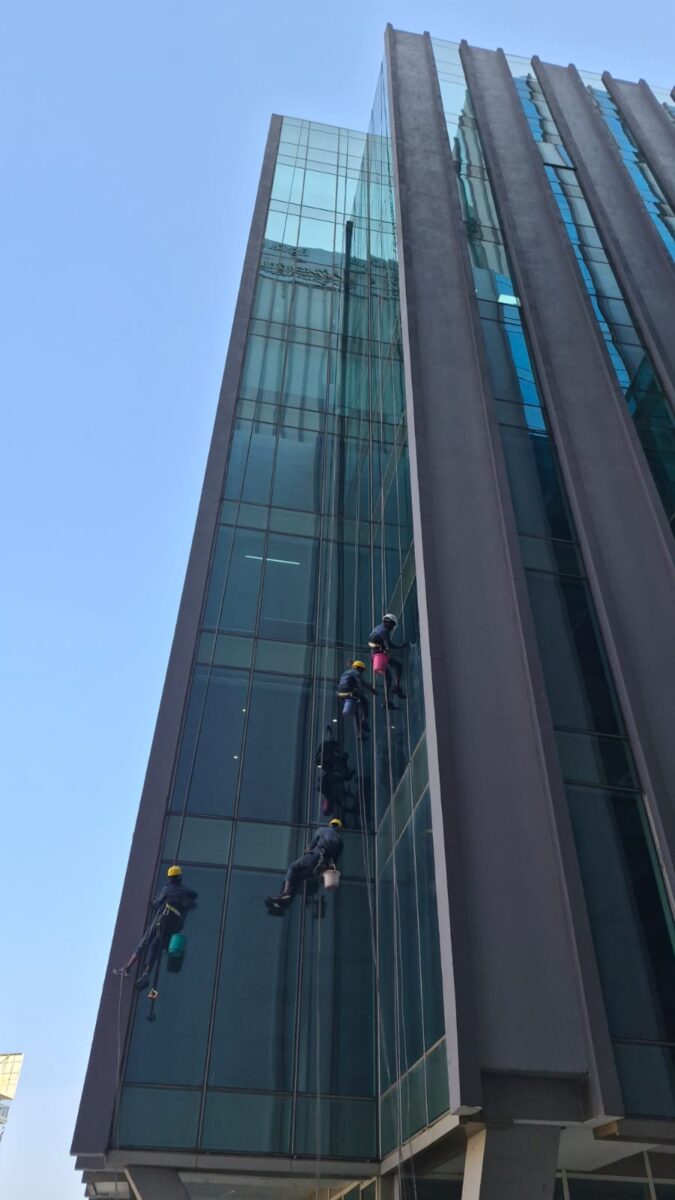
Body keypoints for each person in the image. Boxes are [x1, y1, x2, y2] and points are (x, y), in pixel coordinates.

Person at [121, 865, 198, 990]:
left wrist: (154, 901)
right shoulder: (184, 891)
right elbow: (194, 896)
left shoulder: (167, 889)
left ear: (169, 878)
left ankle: (128, 967)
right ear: (179, 877)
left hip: (162, 918)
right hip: (173, 925)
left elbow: (156, 903)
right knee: (156, 945)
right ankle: (146, 972)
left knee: (146, 941)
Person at [266, 819, 343, 912]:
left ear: (330, 825)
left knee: (292, 868)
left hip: (313, 858)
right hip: (321, 868)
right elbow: (335, 859)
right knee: (298, 878)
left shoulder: (322, 830)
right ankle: (284, 902)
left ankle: (285, 893)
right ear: (339, 828)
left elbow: (312, 844)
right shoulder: (340, 841)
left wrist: (307, 850)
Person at [368, 613, 407, 699]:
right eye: (392, 624)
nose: (392, 628)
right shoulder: (385, 631)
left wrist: (384, 648)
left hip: (375, 654)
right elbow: (390, 645)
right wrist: (400, 646)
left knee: (388, 677)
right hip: (379, 655)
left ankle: (387, 700)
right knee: (398, 666)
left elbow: (374, 641)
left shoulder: (378, 628)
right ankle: (396, 689)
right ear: (387, 621)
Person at [337, 660, 375, 735]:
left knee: (356, 709)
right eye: (362, 670)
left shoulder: (346, 672)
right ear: (358, 668)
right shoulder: (356, 672)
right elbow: (361, 682)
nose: (362, 672)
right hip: (348, 692)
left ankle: (359, 731)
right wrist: (372, 690)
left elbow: (349, 683)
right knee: (365, 702)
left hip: (341, 694)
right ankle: (364, 721)